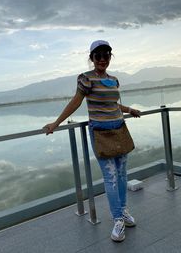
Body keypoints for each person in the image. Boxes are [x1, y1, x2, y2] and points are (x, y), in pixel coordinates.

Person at [43, 40, 141, 242]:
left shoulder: (113, 80)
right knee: (111, 177)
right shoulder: (86, 79)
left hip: (120, 130)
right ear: (92, 58)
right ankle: (117, 220)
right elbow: (75, 102)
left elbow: (113, 105)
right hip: (101, 134)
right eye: (98, 56)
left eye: (106, 55)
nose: (103, 59)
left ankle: (123, 211)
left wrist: (129, 110)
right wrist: (56, 123)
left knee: (122, 175)